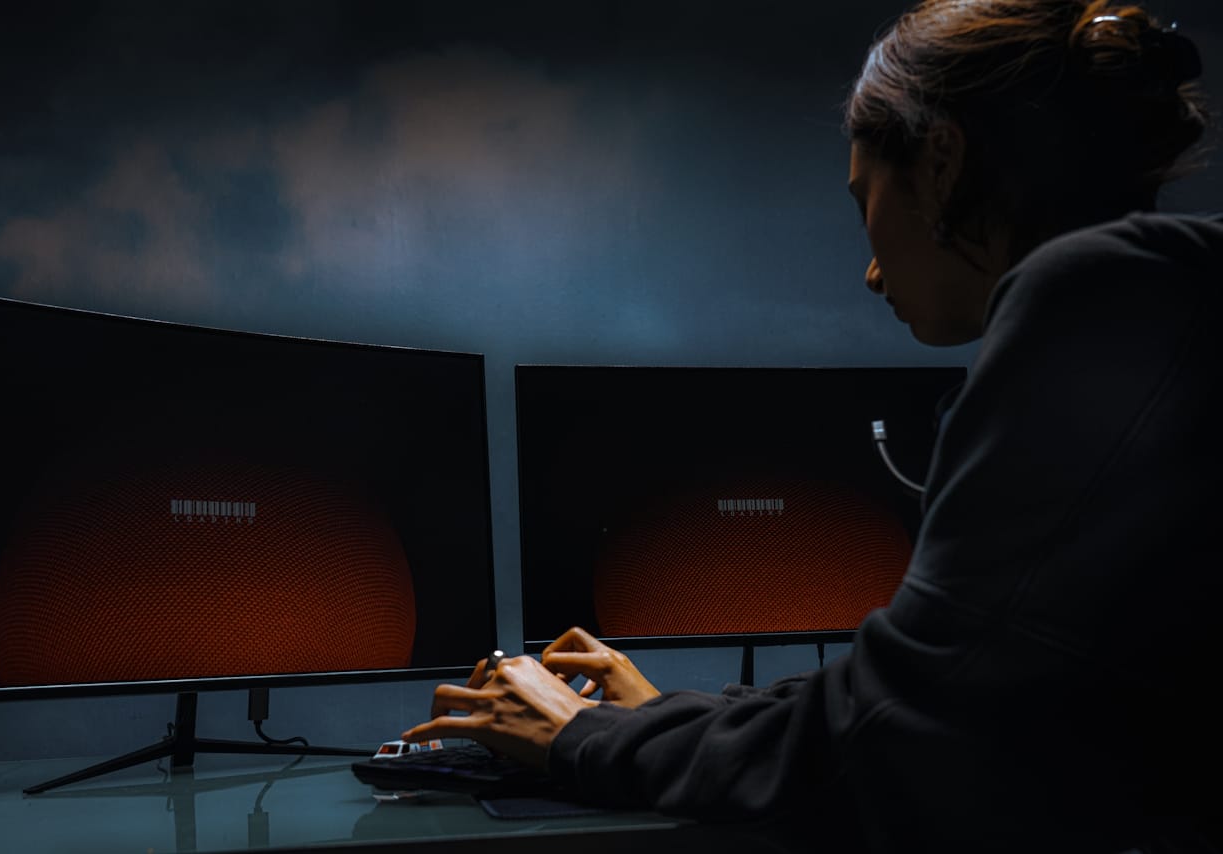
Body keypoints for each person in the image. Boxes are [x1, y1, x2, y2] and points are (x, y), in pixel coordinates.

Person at [402, 1, 1222, 850]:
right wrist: (681, 716)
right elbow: (951, 682)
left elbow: (895, 740)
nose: (870, 272)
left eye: (866, 201)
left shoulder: (1087, 299)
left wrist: (579, 737)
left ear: (941, 161)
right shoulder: (1174, 308)